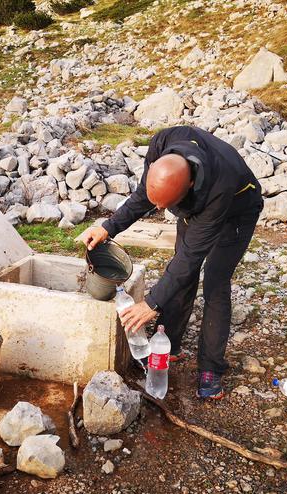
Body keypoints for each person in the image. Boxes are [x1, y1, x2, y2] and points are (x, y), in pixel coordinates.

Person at [81, 125, 263, 399]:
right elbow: (144, 195)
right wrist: (109, 227)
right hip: (193, 206)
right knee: (182, 272)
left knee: (215, 278)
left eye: (167, 206)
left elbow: (191, 256)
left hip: (237, 210)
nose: (162, 211)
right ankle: (170, 342)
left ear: (189, 183)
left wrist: (152, 303)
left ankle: (211, 368)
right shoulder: (163, 142)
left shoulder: (219, 184)